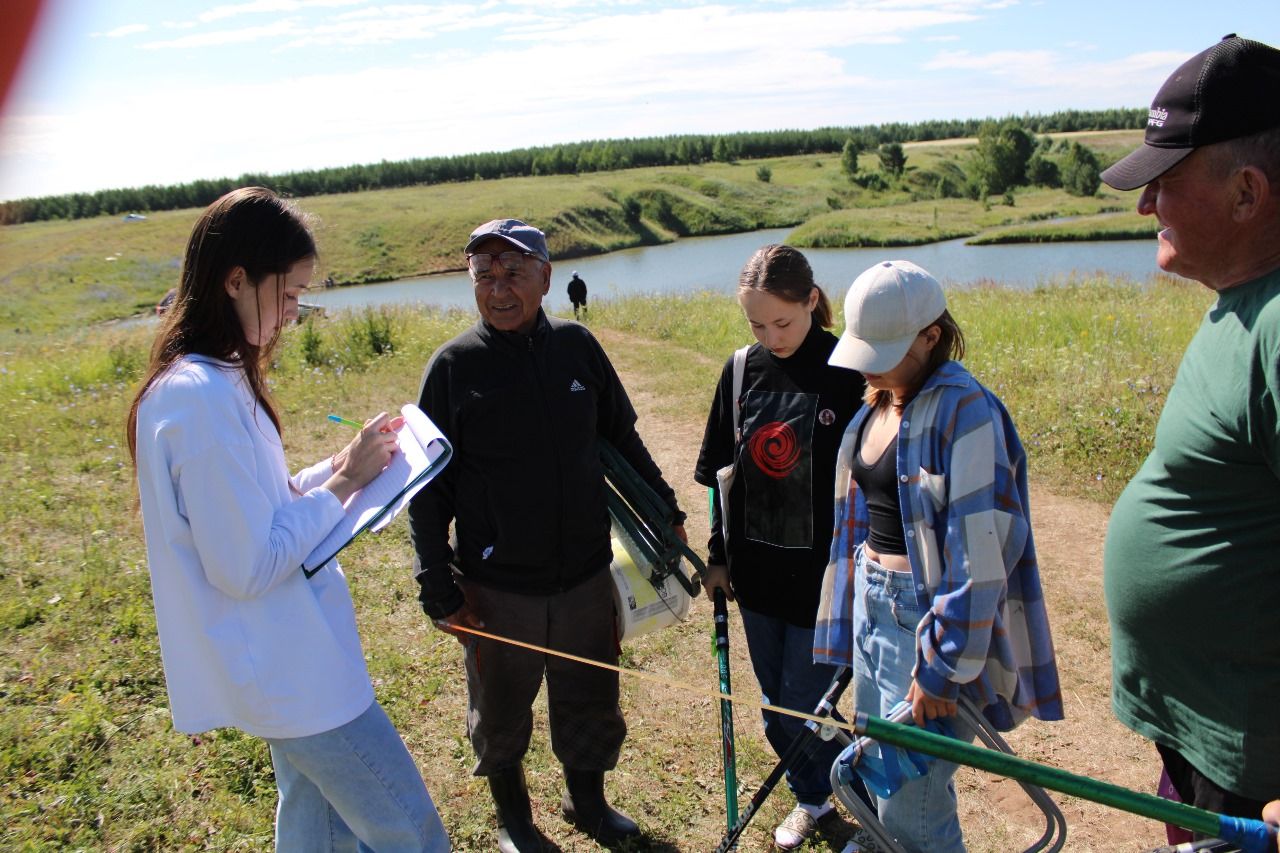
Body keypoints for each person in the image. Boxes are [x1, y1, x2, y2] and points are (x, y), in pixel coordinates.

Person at [127, 187, 449, 852]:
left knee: (316, 829)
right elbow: (247, 565)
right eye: (290, 292)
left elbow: (260, 509)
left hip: (285, 665)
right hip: (293, 673)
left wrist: (338, 466)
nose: (294, 313)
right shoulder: (198, 400)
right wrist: (342, 482)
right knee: (410, 830)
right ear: (236, 279)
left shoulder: (212, 382)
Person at [408, 218, 686, 852]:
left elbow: (620, 436)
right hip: (498, 584)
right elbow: (426, 490)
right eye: (484, 276)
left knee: (590, 696)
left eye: (513, 273)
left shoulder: (578, 347)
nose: (498, 289)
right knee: (501, 710)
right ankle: (515, 821)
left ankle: (587, 803)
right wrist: (436, 582)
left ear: (546, 277)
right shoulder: (453, 368)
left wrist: (664, 505)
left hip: (587, 572)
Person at [814, 260, 1063, 853]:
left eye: (887, 350)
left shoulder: (964, 410)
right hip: (875, 607)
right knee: (881, 771)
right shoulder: (879, 401)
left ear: (932, 336)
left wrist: (943, 665)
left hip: (918, 622)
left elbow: (980, 554)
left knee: (915, 800)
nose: (872, 363)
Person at [1100, 34, 1280, 832]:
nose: (1145, 205)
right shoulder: (1243, 302)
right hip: (1209, 746)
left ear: (1247, 193)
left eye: (1165, 182)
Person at [694, 244, 867, 849]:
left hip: (826, 581)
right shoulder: (742, 370)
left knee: (808, 703)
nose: (771, 336)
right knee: (776, 707)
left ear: (812, 301)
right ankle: (814, 801)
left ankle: (861, 802)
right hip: (756, 578)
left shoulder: (850, 371)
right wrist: (717, 557)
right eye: (756, 324)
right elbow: (722, 476)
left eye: (783, 322)